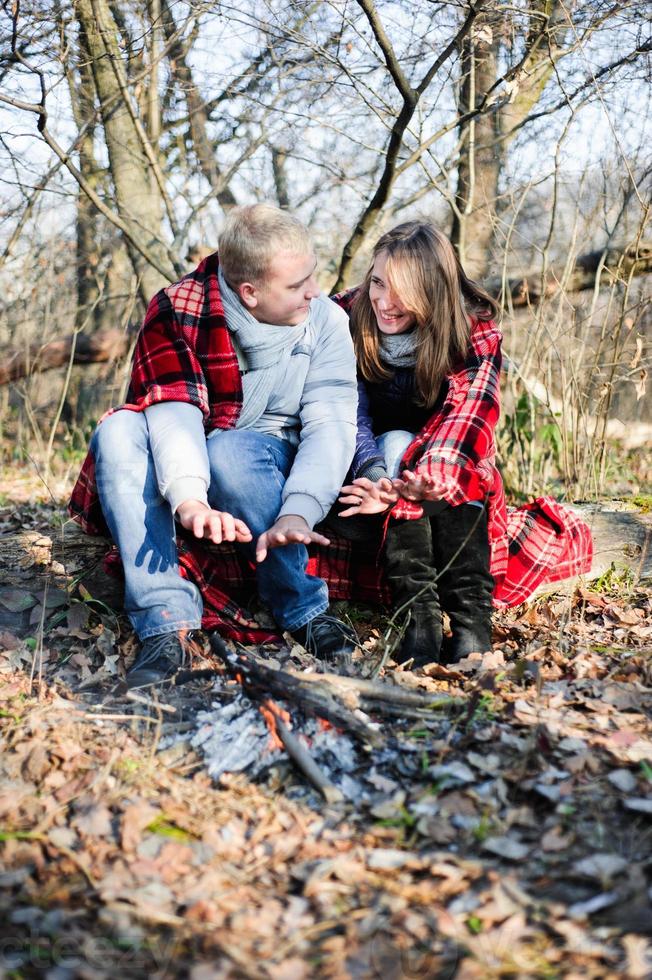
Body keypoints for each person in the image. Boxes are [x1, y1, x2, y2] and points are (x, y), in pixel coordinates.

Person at [69, 204, 359, 686]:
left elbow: (331, 422)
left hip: (270, 457)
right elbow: (172, 409)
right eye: (296, 285)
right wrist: (188, 499)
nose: (315, 290)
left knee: (232, 451)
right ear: (249, 292)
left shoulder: (325, 319)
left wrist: (299, 512)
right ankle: (164, 622)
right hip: (186, 451)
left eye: (313, 275)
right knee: (118, 430)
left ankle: (302, 607)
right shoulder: (178, 310)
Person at [328, 221, 593, 669]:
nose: (384, 302)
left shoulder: (473, 333)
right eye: (377, 282)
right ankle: (421, 620)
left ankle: (471, 621)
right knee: (395, 443)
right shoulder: (343, 318)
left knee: (457, 467)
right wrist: (375, 475)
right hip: (368, 466)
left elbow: (466, 419)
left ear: (432, 290)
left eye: (402, 290)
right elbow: (343, 410)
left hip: (446, 471)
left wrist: (428, 479)